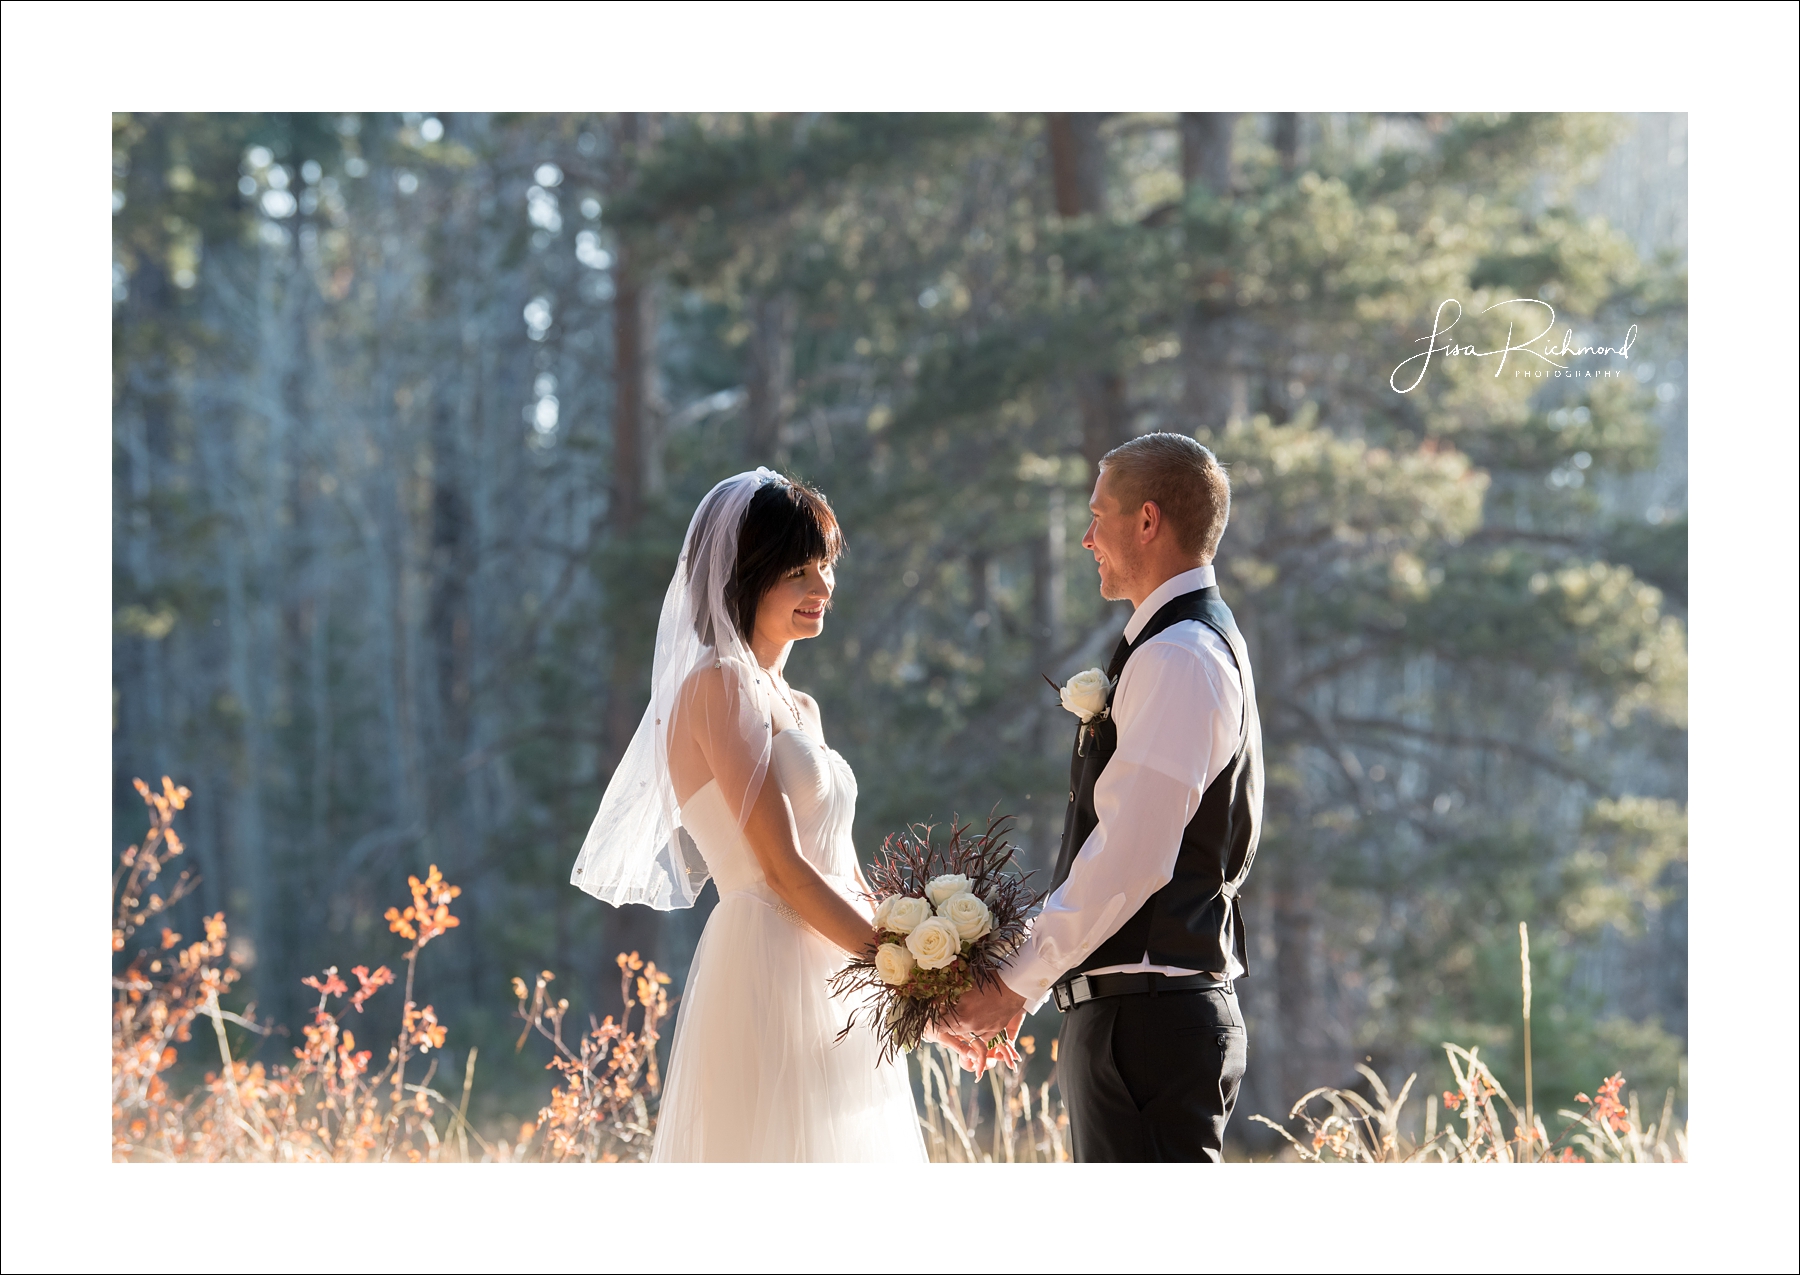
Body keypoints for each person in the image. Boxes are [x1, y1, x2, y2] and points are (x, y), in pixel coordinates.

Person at [571, 469, 923, 1162]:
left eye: (825, 565)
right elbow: (784, 868)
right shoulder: (716, 685)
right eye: (798, 571)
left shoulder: (801, 705)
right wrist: (900, 967)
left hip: (837, 971)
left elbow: (841, 867)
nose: (821, 588)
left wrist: (926, 977)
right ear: (744, 577)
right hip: (767, 960)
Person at [946, 433, 1263, 1163]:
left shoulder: (1180, 655)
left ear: (1146, 522)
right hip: (1140, 1022)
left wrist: (1015, 982)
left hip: (1149, 1031)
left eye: (1098, 516)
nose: (1087, 537)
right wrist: (1025, 986)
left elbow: (1131, 856)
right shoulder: (1178, 644)